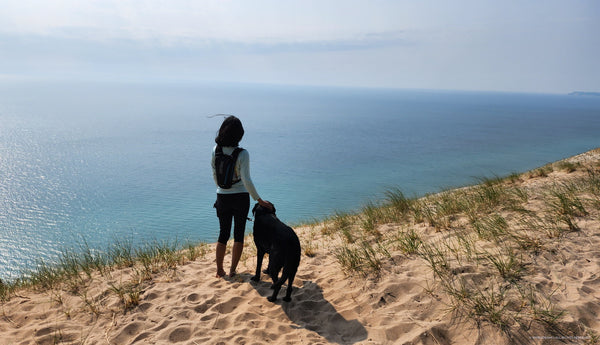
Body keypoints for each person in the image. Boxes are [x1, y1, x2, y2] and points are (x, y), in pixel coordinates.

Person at [211, 115, 272, 278]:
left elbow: (214, 174)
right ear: (239, 134)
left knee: (223, 234)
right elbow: (247, 180)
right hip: (240, 198)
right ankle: (232, 271)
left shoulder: (215, 150)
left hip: (222, 196)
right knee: (238, 234)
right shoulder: (243, 154)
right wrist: (259, 200)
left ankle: (219, 270)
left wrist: (222, 189)